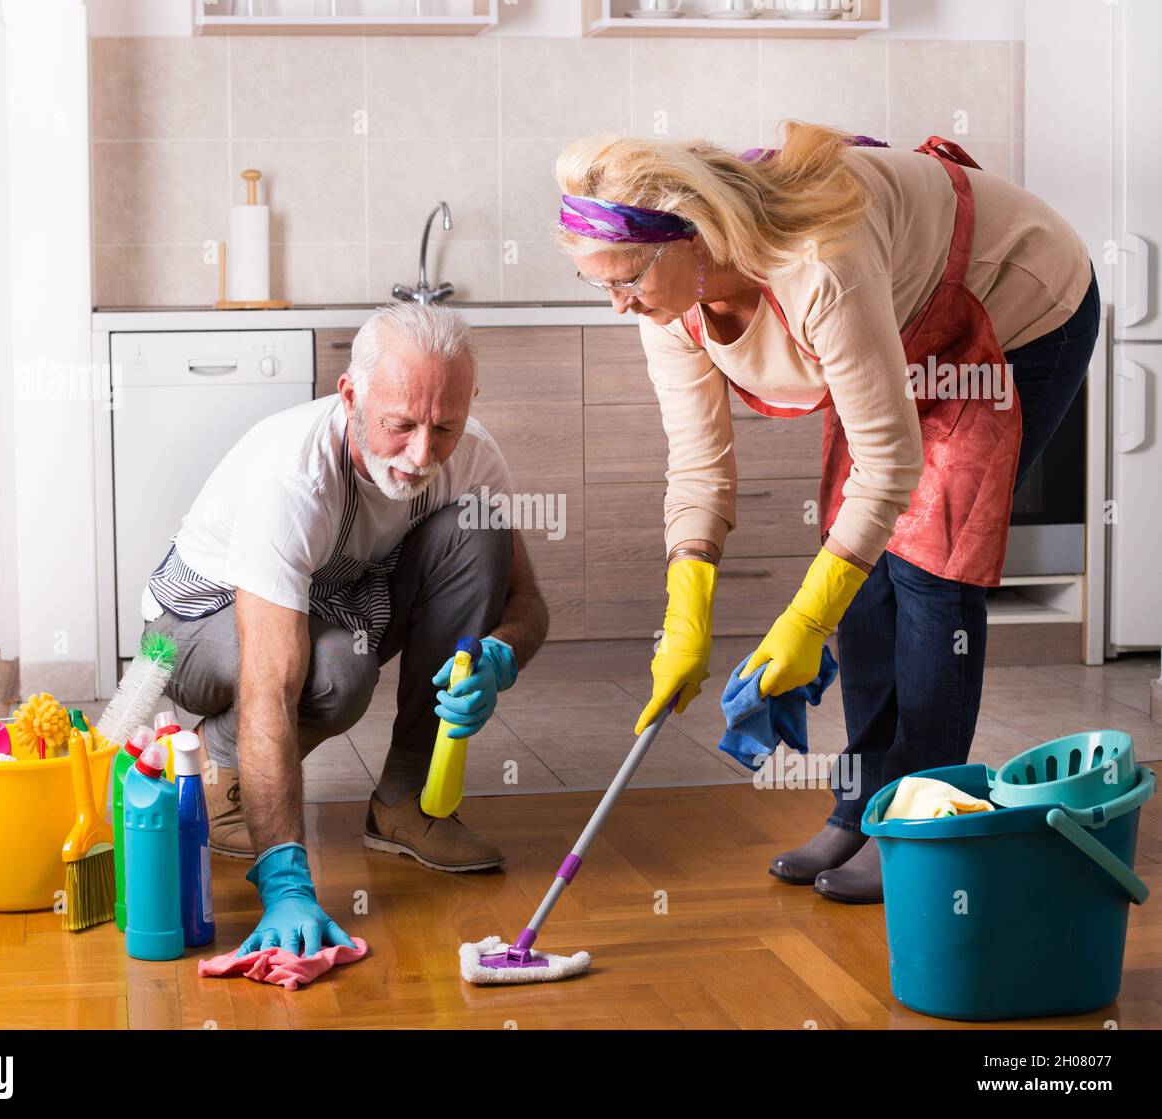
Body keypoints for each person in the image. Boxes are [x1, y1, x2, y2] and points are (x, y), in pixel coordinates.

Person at [554, 123, 1096, 902]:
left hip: (1014, 306)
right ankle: (861, 805)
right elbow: (700, 462)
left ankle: (916, 825)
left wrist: (803, 623)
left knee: (929, 567)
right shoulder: (667, 307)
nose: (616, 305)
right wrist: (687, 611)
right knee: (865, 575)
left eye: (626, 279)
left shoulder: (816, 265)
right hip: (904, 326)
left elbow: (889, 467)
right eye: (597, 284)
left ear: (690, 239)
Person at [141, 301, 549, 953]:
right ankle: (221, 778)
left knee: (477, 527)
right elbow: (272, 682)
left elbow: (528, 604)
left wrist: (501, 651)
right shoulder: (294, 473)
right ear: (351, 395)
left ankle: (405, 803)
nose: (422, 454)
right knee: (333, 675)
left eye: (444, 427)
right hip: (193, 625)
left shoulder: (470, 457)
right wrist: (285, 885)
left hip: (333, 600)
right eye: (401, 425)